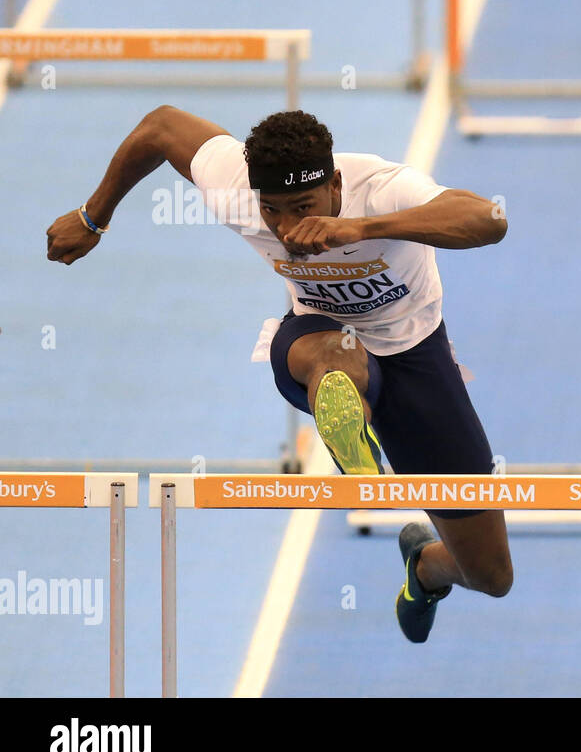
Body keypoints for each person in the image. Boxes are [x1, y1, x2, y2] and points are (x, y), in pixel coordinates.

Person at [46, 106, 513, 641]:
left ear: (335, 183)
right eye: (272, 211)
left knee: (490, 574)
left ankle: (425, 567)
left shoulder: (384, 188)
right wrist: (92, 217)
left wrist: (358, 228)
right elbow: (160, 127)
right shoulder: (236, 188)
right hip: (312, 340)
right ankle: (352, 437)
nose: (287, 228)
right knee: (337, 357)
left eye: (302, 207)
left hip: (413, 355)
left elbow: (489, 219)